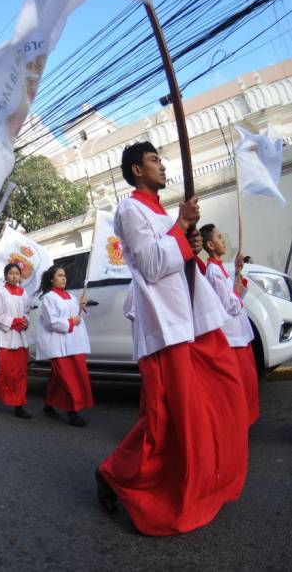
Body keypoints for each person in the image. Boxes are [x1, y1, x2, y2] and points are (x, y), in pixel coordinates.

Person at [97, 142, 248, 536]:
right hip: (165, 329)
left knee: (216, 400)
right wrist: (181, 229)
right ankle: (114, 474)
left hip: (191, 322)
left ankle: (202, 482)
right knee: (164, 424)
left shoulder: (162, 213)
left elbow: (177, 257)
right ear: (135, 170)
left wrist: (188, 242)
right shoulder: (130, 210)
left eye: (162, 160)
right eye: (153, 160)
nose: (162, 167)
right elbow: (149, 264)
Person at [200, 224, 259, 425]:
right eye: (218, 237)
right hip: (233, 340)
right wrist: (236, 287)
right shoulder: (213, 272)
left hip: (241, 336)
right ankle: (237, 426)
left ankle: (242, 425)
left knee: (248, 385)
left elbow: (234, 297)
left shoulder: (220, 269)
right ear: (210, 244)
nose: (223, 240)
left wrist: (237, 271)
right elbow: (230, 306)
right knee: (240, 388)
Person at [36, 265, 93, 427]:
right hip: (59, 344)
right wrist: (70, 322)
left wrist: (81, 307)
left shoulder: (72, 296)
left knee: (58, 377)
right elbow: (51, 322)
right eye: (60, 275)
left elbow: (78, 317)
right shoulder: (49, 298)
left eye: (64, 275)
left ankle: (48, 404)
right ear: (51, 279)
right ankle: (73, 412)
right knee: (68, 378)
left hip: (74, 342)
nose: (63, 278)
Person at [0, 263, 32, 418]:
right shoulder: (0, 292)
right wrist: (17, 321)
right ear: (6, 275)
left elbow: (26, 312)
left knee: (20, 373)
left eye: (17, 273)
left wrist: (25, 321)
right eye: (11, 273)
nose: (14, 276)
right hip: (5, 338)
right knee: (5, 373)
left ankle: (19, 405)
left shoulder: (24, 293)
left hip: (20, 338)